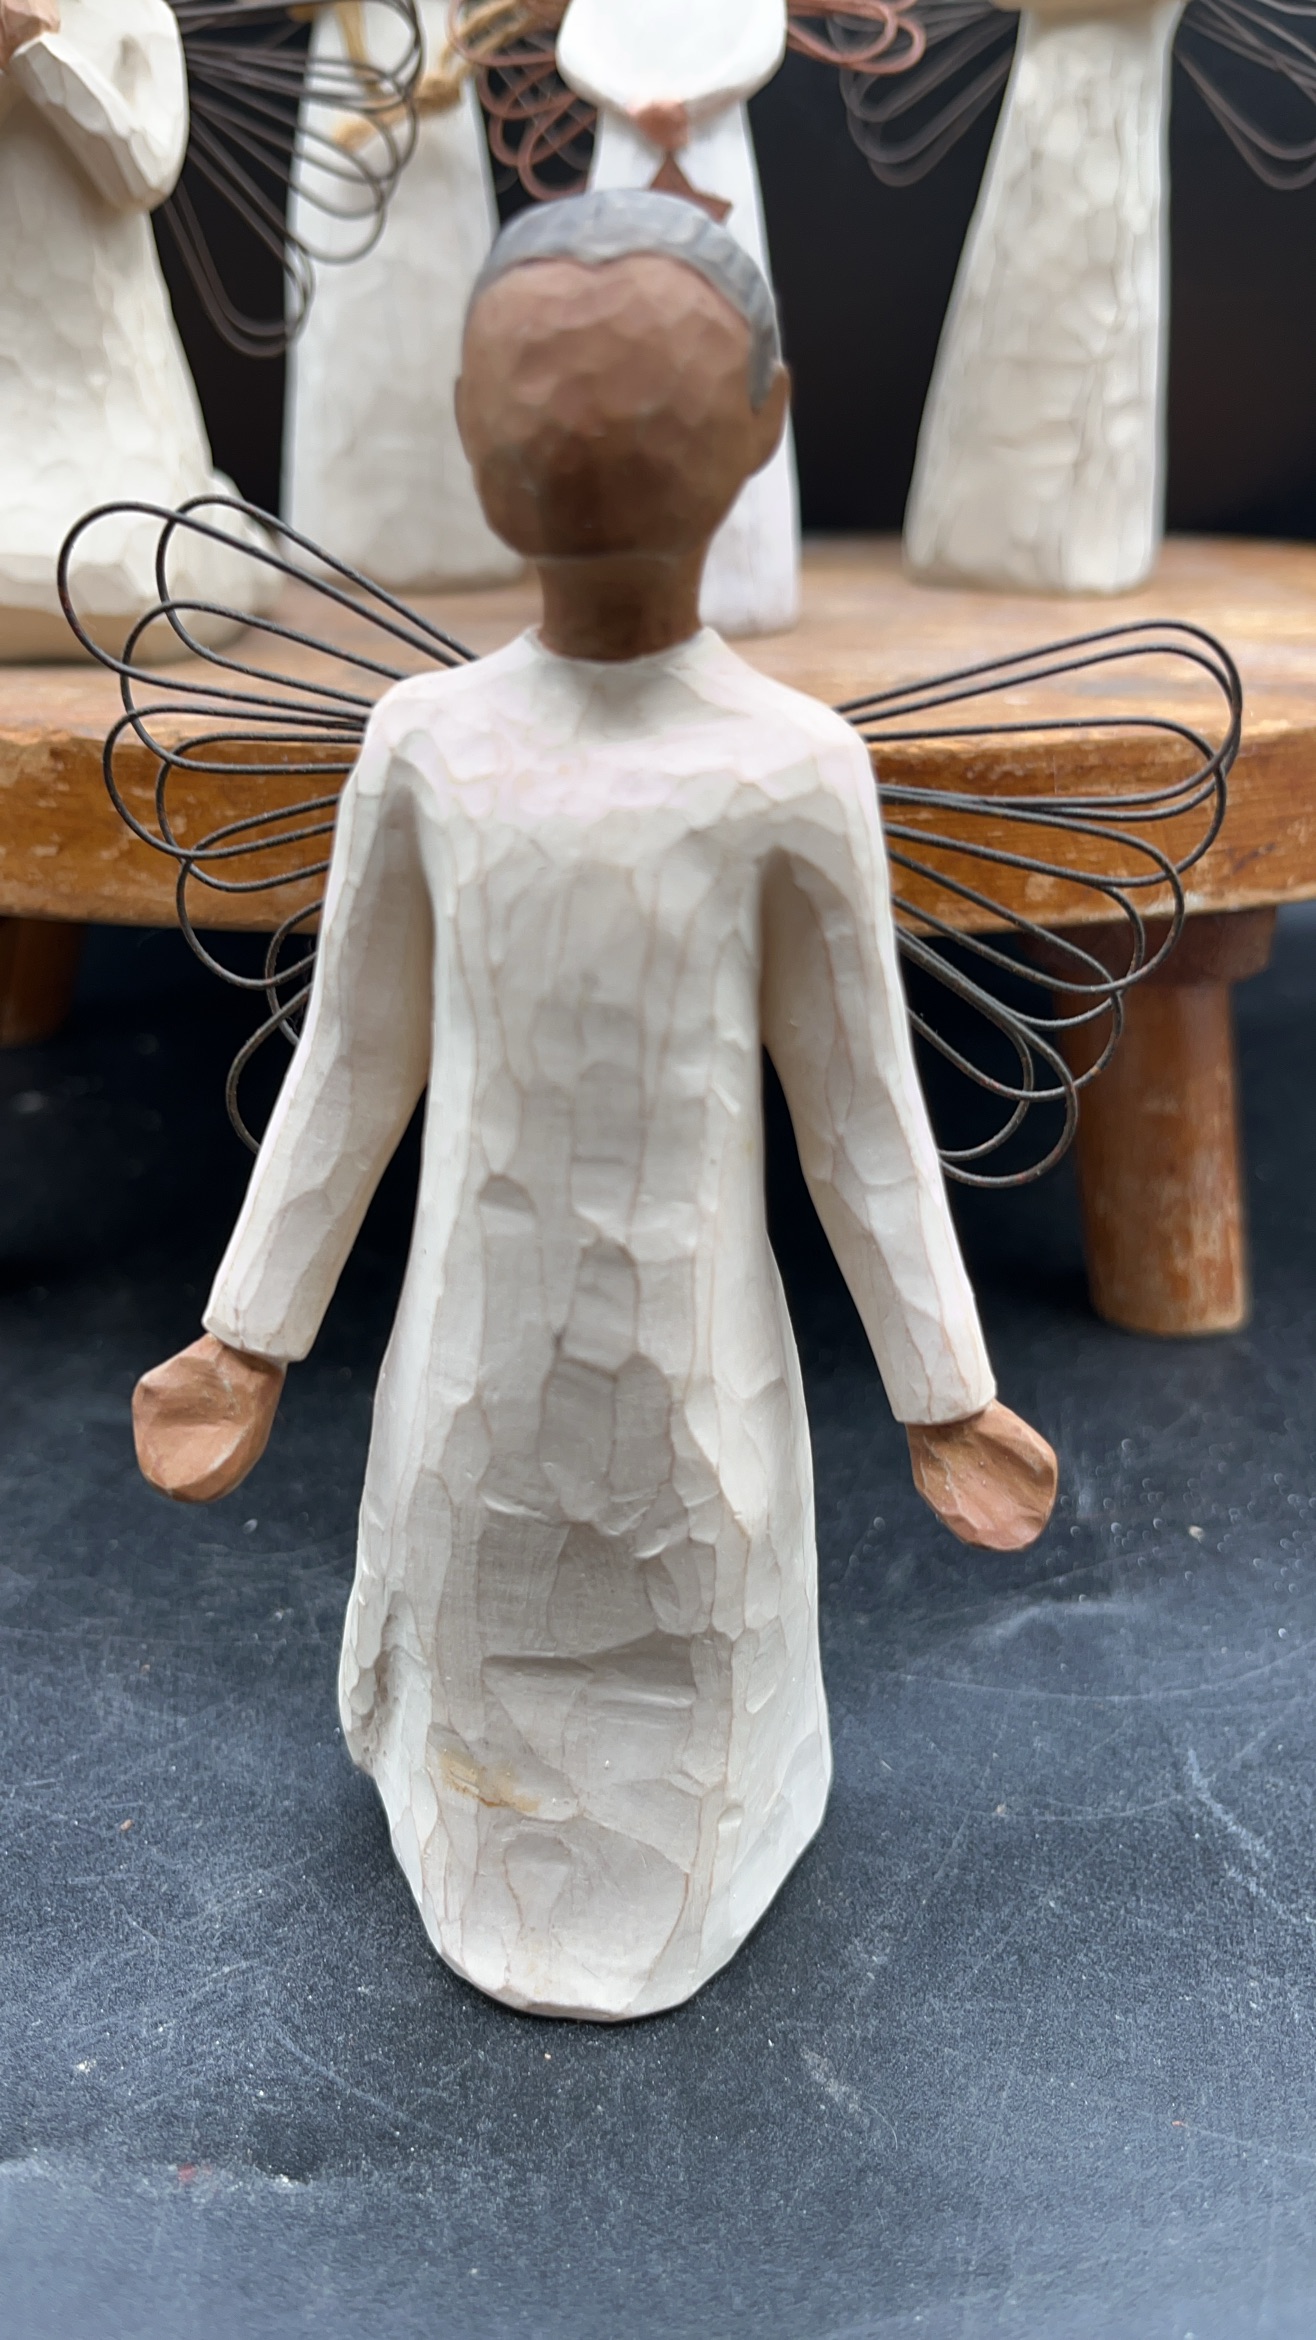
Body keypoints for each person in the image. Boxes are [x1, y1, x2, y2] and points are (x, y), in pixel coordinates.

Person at [133, 190, 1057, 2023]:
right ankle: (466, 1803)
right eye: (537, 394)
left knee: (688, 1600)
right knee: (478, 1573)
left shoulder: (793, 773)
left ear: (763, 428)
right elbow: (353, 1057)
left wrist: (943, 1389)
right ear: (470, 438)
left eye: (639, 392)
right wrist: (248, 1337)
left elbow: (860, 1116)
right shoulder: (425, 747)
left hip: (693, 1365)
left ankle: (697, 1831)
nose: (582, 431)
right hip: (470, 1350)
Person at [0, 0, 272, 659]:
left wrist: (39, 58)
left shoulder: (137, 17)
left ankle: (212, 544)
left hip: (103, 343)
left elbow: (142, 171)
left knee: (135, 547)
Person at [284, 0, 521, 591]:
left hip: (438, 70)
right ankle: (342, 528)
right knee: (350, 317)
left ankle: (460, 530)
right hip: (350, 89)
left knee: (445, 317)